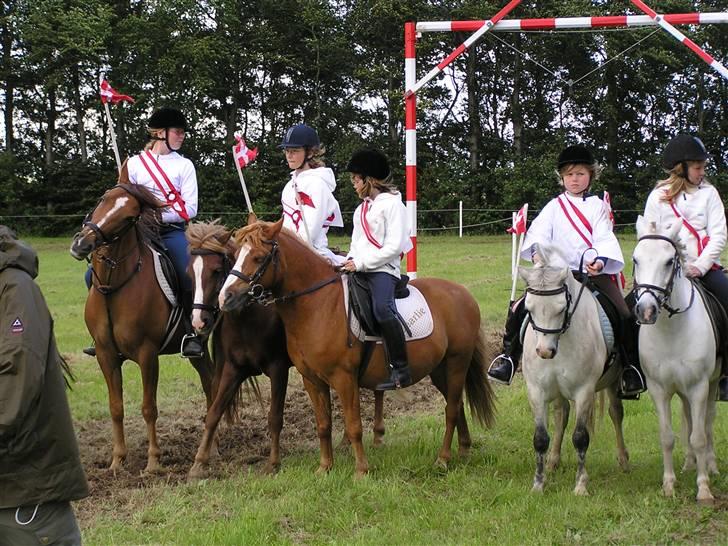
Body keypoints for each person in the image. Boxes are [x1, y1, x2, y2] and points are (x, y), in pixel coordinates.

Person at [487, 144, 646, 399]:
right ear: (561, 177)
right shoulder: (553, 206)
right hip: (556, 275)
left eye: (580, 174)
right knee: (519, 308)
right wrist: (537, 253)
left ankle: (629, 369)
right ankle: (508, 358)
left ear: (590, 176)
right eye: (570, 174)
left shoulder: (597, 207)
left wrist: (600, 261)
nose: (575, 179)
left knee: (624, 313)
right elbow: (538, 235)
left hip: (591, 274)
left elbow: (604, 237)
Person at [84, 107, 204, 358]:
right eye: (178, 132)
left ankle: (191, 333)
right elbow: (123, 200)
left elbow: (190, 209)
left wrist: (154, 215)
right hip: (136, 232)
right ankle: (102, 334)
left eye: (183, 132)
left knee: (187, 273)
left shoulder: (185, 166)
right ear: (161, 133)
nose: (182, 136)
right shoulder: (135, 164)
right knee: (90, 275)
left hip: (170, 232)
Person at [0, 226, 89, 545]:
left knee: (180, 265)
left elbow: (16, 379)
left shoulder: (14, 289)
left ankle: (191, 330)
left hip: (22, 488)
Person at [643, 133, 728, 401]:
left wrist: (700, 267)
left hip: (703, 269)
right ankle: (633, 369)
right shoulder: (658, 197)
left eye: (703, 167)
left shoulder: (709, 194)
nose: (702, 172)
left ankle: (725, 372)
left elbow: (719, 235)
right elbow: (648, 235)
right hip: (664, 272)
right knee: (631, 309)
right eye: (698, 167)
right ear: (681, 167)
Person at [341, 149, 413, 390]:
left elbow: (394, 247)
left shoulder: (393, 205)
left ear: (369, 180)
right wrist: (349, 260)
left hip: (384, 270)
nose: (353, 183)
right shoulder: (361, 209)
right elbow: (356, 243)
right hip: (359, 268)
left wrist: (361, 263)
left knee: (382, 309)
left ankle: (401, 368)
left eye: (356, 179)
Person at [278, 124, 345, 264]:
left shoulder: (317, 185)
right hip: (288, 251)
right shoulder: (288, 186)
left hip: (314, 255)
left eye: (295, 151)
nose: (289, 155)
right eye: (287, 150)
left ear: (310, 153)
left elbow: (310, 232)